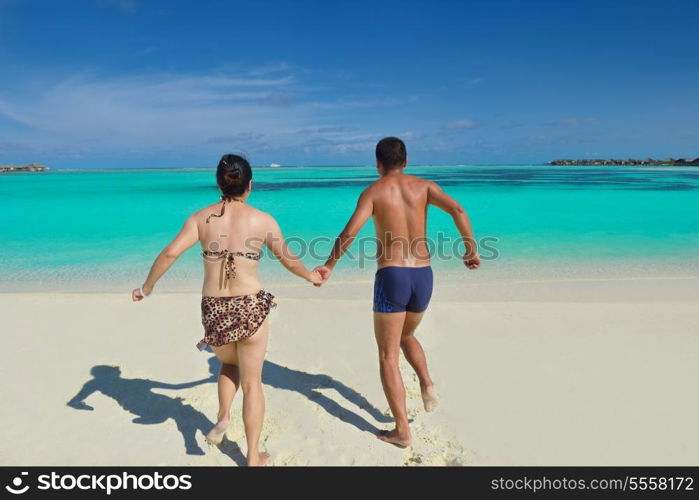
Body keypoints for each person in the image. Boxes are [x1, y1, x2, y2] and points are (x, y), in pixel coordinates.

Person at [132, 154, 323, 466]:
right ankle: (251, 456)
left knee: (229, 366)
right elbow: (288, 259)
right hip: (250, 306)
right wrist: (311, 276)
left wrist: (147, 287)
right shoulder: (262, 220)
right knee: (252, 384)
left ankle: (222, 417)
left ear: (219, 184)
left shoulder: (199, 219)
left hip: (214, 309)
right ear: (250, 185)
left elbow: (170, 253)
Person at [314, 137, 480, 448]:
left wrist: (330, 264)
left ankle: (402, 431)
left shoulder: (373, 192)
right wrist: (470, 249)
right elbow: (457, 209)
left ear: (377, 163)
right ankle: (427, 383)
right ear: (406, 160)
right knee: (406, 336)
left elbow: (351, 232)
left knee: (388, 355)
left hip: (392, 275)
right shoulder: (425, 186)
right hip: (423, 276)